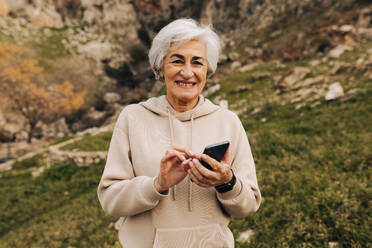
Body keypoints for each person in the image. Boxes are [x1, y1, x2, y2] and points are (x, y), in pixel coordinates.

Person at [97, 18, 261, 248]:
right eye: (177, 60)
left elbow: (248, 206)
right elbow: (110, 200)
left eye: (197, 62)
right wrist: (157, 184)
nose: (187, 72)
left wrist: (227, 181)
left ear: (207, 70)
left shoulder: (228, 121)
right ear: (161, 67)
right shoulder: (133, 118)